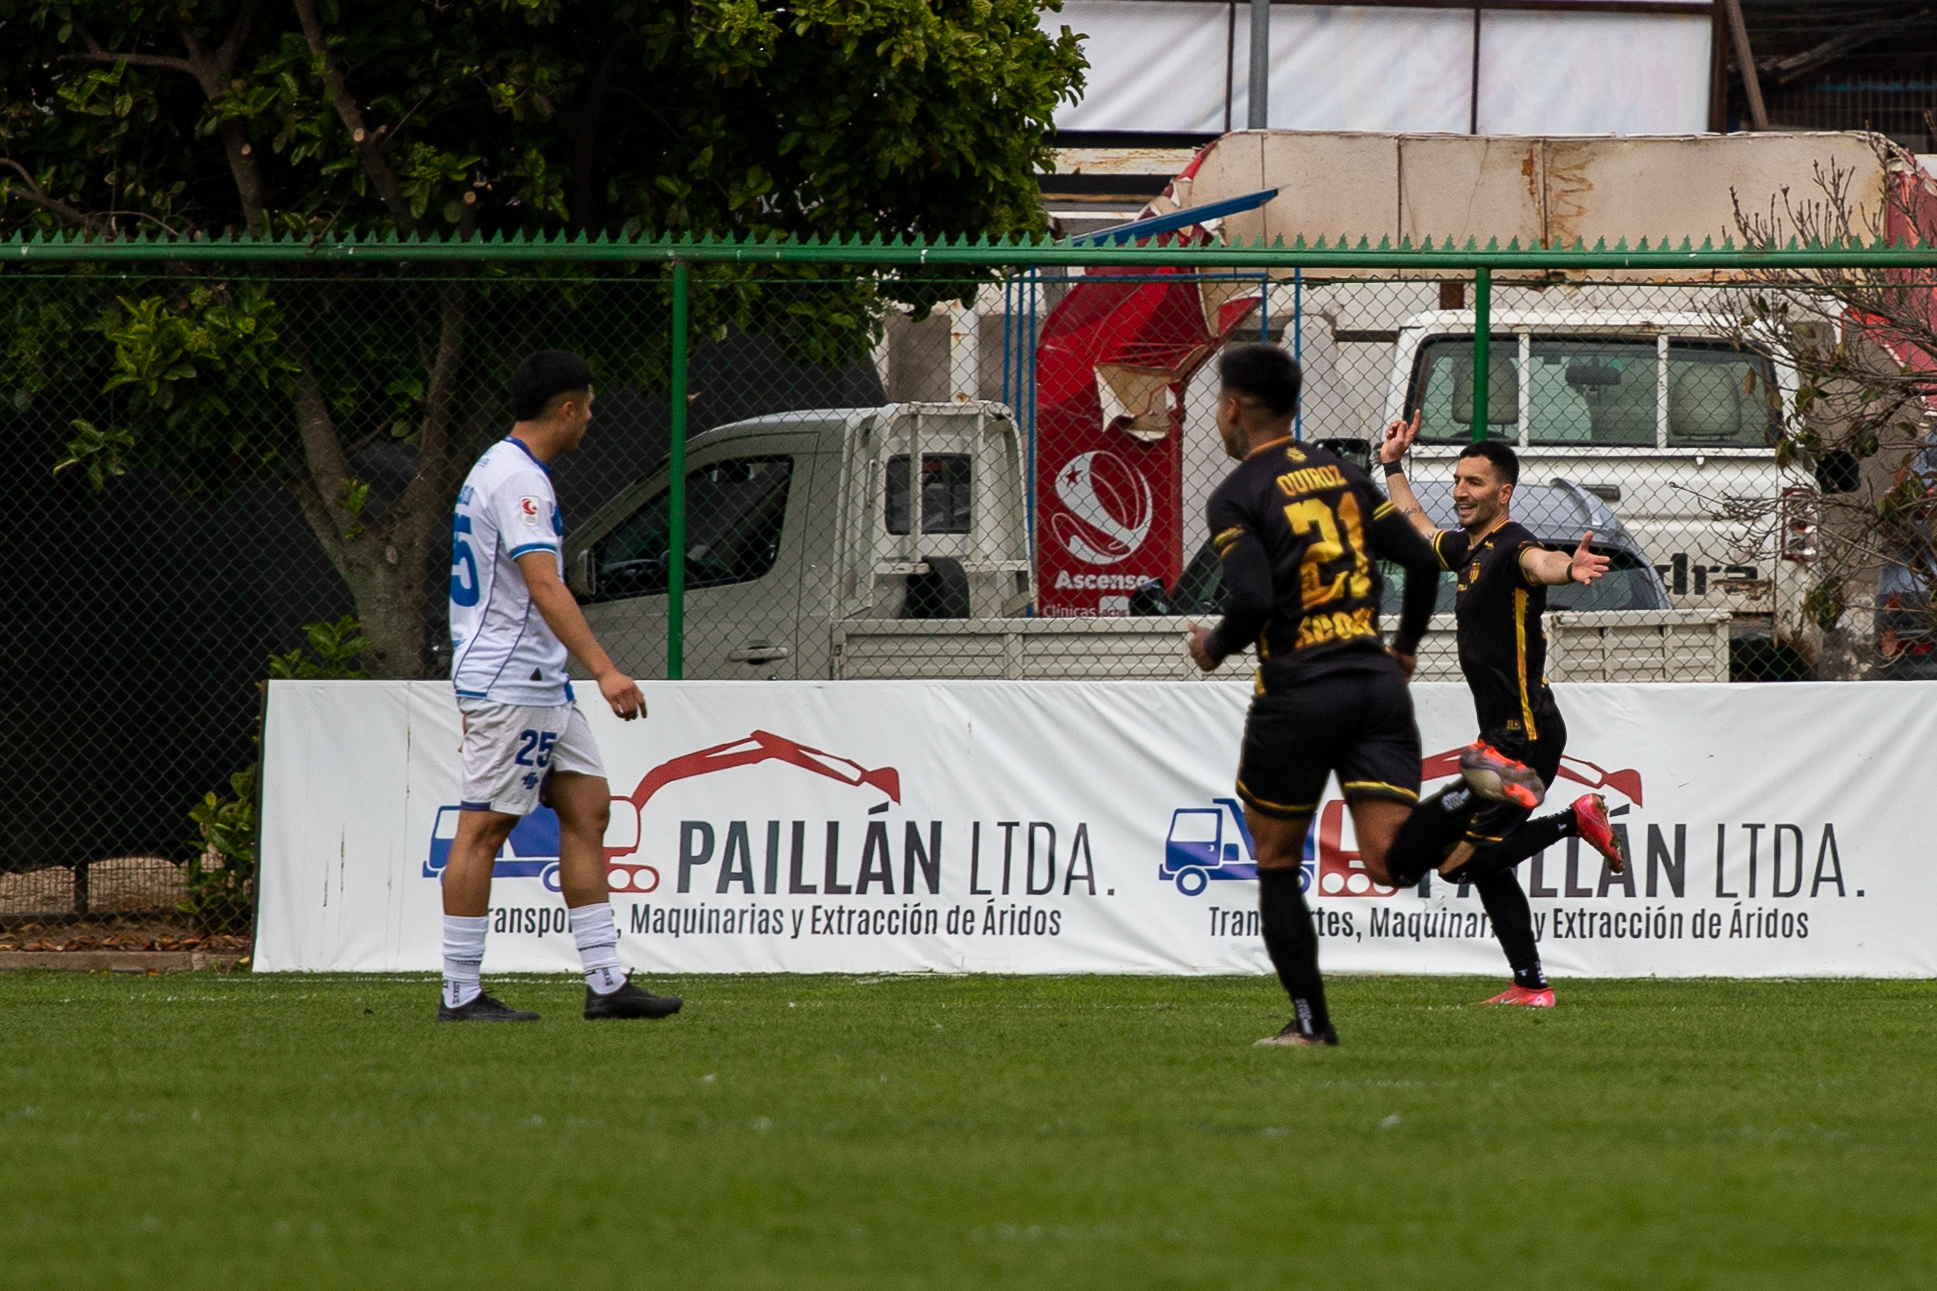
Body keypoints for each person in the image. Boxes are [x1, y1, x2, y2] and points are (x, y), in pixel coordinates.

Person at [1186, 344, 1444, 1048]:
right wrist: (1404, 648)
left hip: (1300, 691)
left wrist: (1213, 646)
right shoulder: (1346, 475)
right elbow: (1423, 562)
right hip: (1374, 686)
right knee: (1387, 860)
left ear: (1231, 409)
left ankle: (1311, 1025)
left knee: (1275, 861)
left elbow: (1252, 600)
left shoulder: (1239, 493)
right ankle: (1468, 798)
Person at [438, 350, 682, 1023]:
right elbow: (543, 584)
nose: (592, 418)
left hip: (538, 679)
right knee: (484, 828)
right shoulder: (521, 479)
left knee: (588, 809)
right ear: (568, 408)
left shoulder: (496, 465)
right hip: (511, 678)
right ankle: (459, 992)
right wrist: (604, 668)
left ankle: (605, 980)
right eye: (590, 406)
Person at [1373, 413, 1630, 1007]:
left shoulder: (1514, 546)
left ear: (1504, 491)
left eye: (1475, 482)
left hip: (1525, 740)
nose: (1461, 491)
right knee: (1482, 864)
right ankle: (1531, 986)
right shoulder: (1468, 548)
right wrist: (1393, 465)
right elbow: (1418, 527)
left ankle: (1575, 820)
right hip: (1503, 737)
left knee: (1455, 864)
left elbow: (1542, 563)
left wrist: (1569, 568)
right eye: (1458, 480)